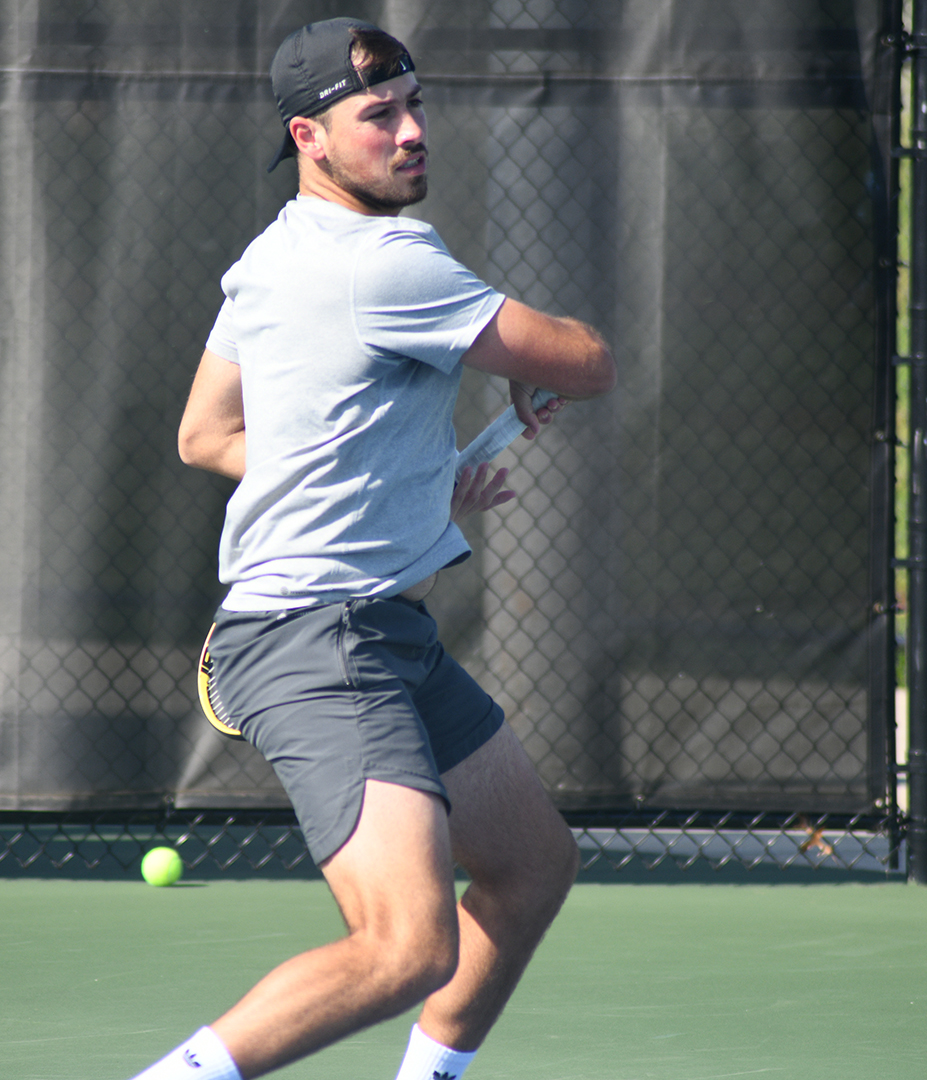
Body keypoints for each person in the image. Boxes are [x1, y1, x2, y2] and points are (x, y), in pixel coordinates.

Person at [144, 17, 615, 1080]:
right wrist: (525, 366)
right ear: (309, 136)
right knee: (406, 946)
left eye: (415, 106)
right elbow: (588, 362)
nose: (412, 134)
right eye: (379, 117)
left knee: (532, 867)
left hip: (382, 626)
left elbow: (208, 433)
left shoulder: (268, 259)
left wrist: (408, 478)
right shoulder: (394, 261)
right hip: (319, 638)